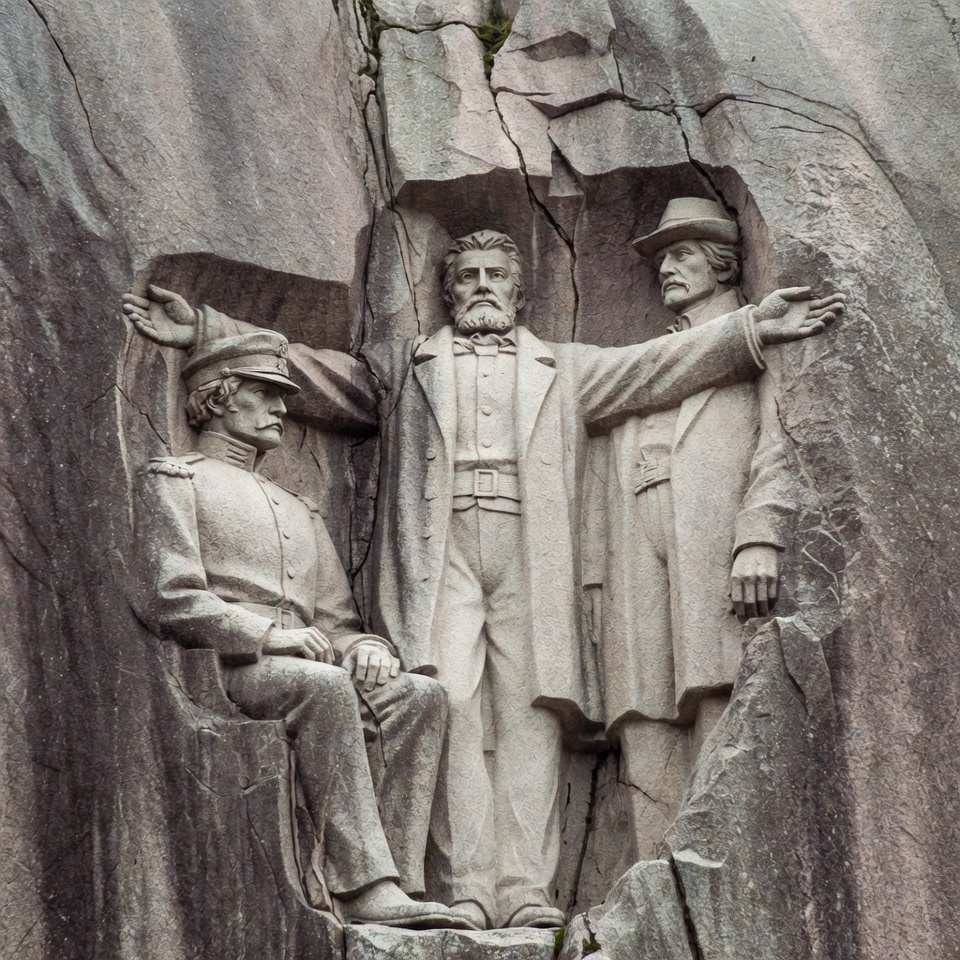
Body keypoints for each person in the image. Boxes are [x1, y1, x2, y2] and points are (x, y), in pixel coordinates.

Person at [123, 228, 843, 929]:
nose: (481, 288)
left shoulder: (563, 366)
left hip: (532, 550)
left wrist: (751, 327)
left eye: (495, 277)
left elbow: (656, 365)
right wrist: (205, 330)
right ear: (446, 294)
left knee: (534, 714)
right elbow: (314, 374)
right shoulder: (409, 365)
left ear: (520, 293)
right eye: (466, 278)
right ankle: (463, 889)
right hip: (441, 551)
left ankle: (529, 892)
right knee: (453, 706)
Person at [130, 327, 461, 929]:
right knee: (324, 687)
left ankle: (400, 883)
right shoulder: (175, 479)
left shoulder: (296, 507)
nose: (283, 408)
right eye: (266, 394)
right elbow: (169, 596)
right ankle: (364, 886)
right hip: (230, 669)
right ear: (219, 395)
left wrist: (363, 646)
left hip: (305, 664)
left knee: (420, 696)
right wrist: (264, 634)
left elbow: (335, 620)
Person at [583, 197, 831, 859]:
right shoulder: (648, 358)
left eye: (681, 253)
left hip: (714, 539)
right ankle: (651, 879)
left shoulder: (762, 332)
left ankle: (719, 861)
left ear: (722, 263)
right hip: (638, 539)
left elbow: (786, 439)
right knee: (642, 707)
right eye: (661, 257)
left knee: (715, 685)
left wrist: (759, 534)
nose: (666, 267)